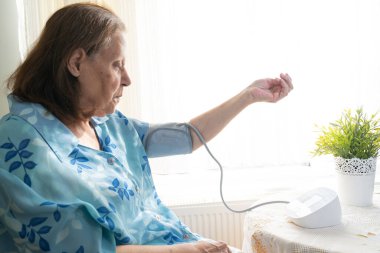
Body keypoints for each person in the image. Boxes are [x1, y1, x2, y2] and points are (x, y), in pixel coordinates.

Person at [0, 3, 293, 253]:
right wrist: (177, 251)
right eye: (117, 65)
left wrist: (249, 96)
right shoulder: (19, 146)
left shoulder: (107, 124)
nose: (127, 79)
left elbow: (187, 136)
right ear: (76, 63)